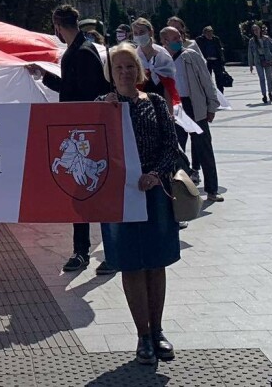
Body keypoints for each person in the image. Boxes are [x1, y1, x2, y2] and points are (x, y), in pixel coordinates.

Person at [96, 43, 183, 366]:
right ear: (110, 73)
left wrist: (156, 174)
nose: (124, 72)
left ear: (140, 70)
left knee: (155, 262)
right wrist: (102, 112)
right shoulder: (102, 105)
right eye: (117, 67)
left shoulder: (156, 103)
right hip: (119, 197)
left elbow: (170, 146)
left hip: (153, 191)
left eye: (129, 66)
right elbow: (91, 147)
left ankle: (158, 331)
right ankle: (142, 336)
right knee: (131, 263)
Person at [29, 4, 113, 274]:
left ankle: (100, 251)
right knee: (81, 194)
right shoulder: (78, 49)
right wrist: (45, 77)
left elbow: (86, 93)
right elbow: (73, 87)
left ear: (57, 25)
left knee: (94, 193)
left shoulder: (83, 52)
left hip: (88, 131)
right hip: (80, 129)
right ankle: (82, 250)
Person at [166, 27, 222, 202]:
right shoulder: (161, 59)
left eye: (180, 37)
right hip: (175, 107)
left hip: (193, 105)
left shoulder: (191, 56)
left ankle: (212, 189)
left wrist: (211, 105)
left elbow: (206, 80)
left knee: (204, 147)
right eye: (174, 38)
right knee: (175, 149)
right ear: (164, 41)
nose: (179, 40)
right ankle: (182, 188)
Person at [131, 19, 175, 98]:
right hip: (141, 100)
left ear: (150, 32)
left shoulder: (162, 54)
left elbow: (169, 84)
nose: (139, 36)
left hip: (162, 98)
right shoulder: (133, 57)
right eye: (135, 33)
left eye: (142, 32)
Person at [246, 22, 272, 105]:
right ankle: (264, 94)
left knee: (269, 77)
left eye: (257, 29)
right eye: (254, 30)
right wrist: (251, 65)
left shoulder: (266, 39)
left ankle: (270, 92)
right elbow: (250, 53)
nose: (255, 31)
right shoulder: (252, 41)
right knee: (261, 78)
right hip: (258, 60)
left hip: (267, 59)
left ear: (260, 29)